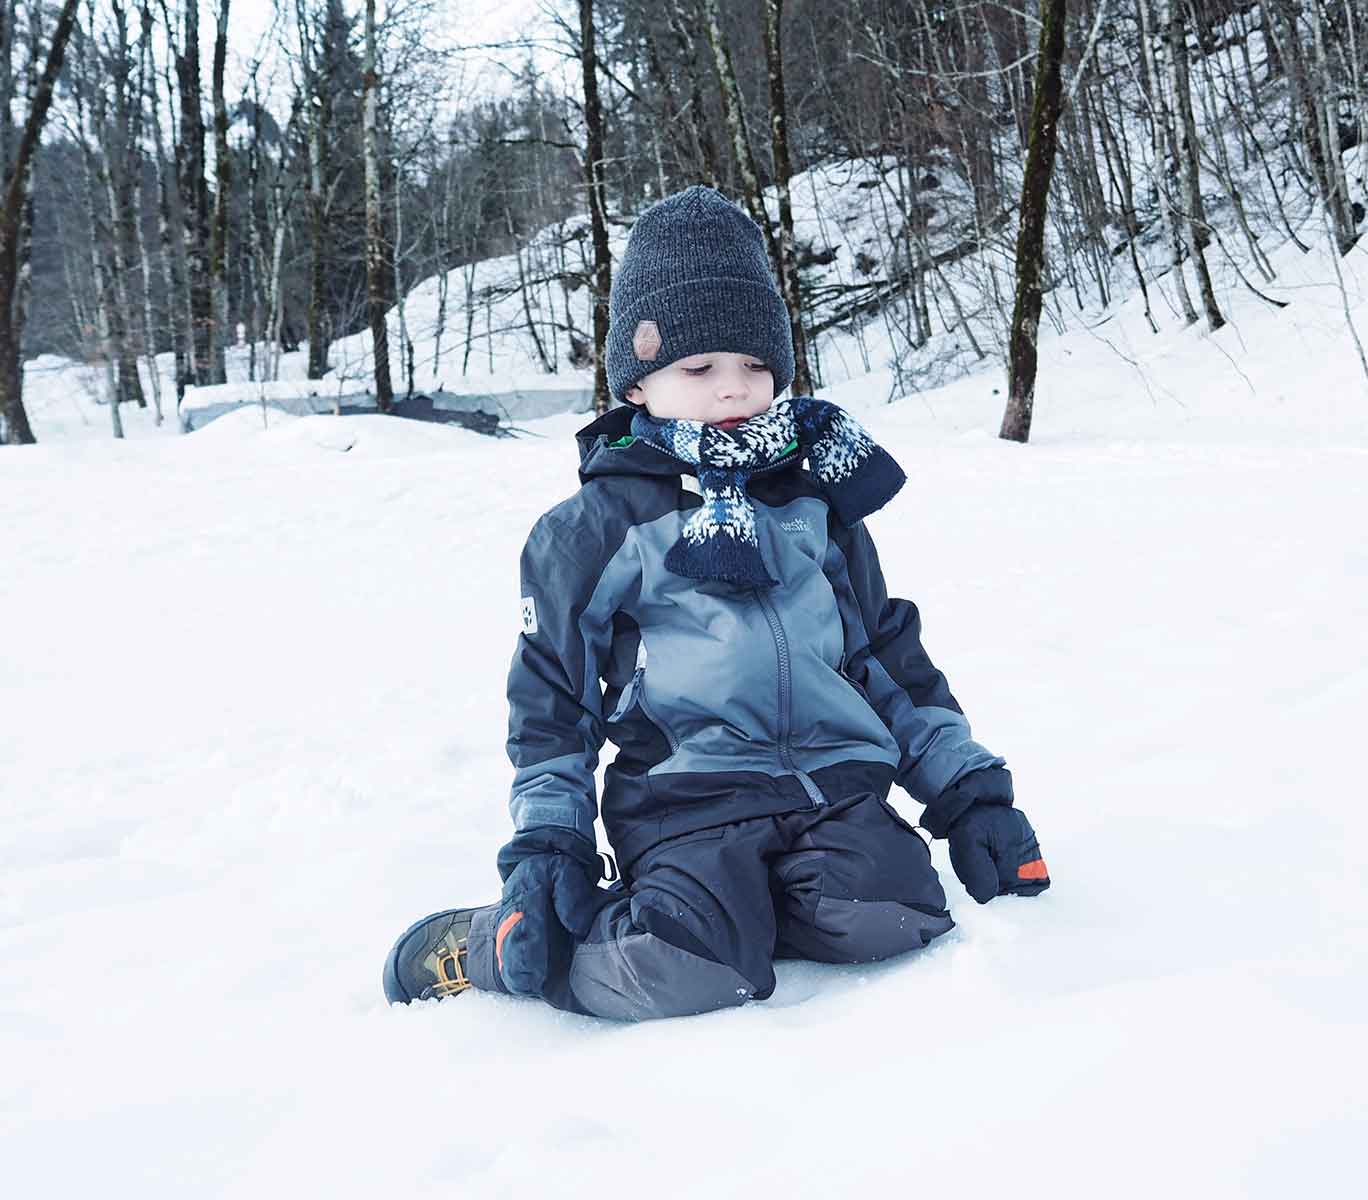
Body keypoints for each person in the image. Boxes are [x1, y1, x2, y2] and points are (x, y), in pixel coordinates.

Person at [382, 186, 1049, 1020]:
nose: (732, 389)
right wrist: (548, 843)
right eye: (698, 369)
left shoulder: (816, 506)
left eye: (756, 366)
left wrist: (969, 794)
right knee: (686, 963)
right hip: (683, 802)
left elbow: (886, 658)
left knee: (896, 913)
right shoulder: (594, 529)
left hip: (831, 791)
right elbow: (553, 702)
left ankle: (763, 903)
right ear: (637, 382)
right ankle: (498, 943)